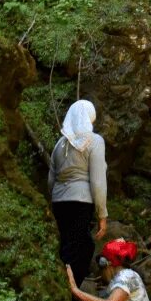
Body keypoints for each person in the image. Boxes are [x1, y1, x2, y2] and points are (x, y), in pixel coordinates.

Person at [48, 99, 108, 280]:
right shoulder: (95, 141)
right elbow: (98, 181)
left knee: (68, 244)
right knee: (80, 250)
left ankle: (64, 287)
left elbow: (51, 178)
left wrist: (51, 202)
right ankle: (70, 293)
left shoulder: (60, 144)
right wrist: (102, 214)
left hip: (59, 202)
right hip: (81, 202)